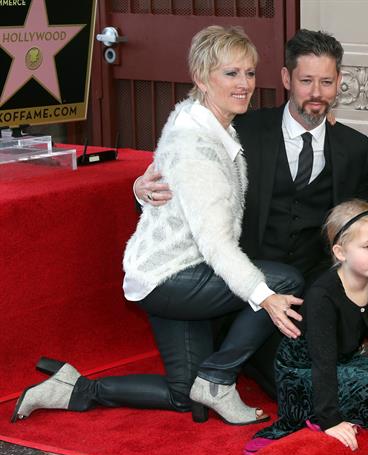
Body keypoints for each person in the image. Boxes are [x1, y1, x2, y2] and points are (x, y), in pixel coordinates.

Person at [12, 26, 303, 426]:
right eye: (231, 73)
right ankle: (219, 378)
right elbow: (217, 244)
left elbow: (166, 181)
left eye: (250, 73)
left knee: (186, 397)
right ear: (201, 78)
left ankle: (73, 390)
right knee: (283, 280)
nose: (245, 84)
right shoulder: (198, 144)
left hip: (164, 270)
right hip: (176, 279)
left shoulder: (196, 119)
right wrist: (264, 297)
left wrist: (139, 186)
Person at [133, 29, 368, 397]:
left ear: (339, 82)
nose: (315, 93)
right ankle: (233, 366)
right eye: (306, 80)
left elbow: (359, 226)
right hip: (243, 290)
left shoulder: (354, 147)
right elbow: (179, 173)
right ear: (286, 79)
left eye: (326, 82)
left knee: (310, 382)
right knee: (293, 389)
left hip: (308, 294)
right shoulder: (241, 127)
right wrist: (140, 190)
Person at [244, 200, 368, 455]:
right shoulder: (322, 295)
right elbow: (323, 362)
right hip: (302, 371)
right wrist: (331, 421)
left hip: (344, 361)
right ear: (340, 253)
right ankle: (314, 416)